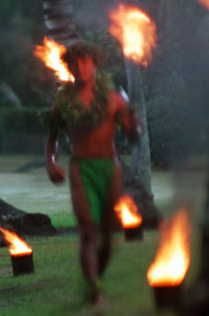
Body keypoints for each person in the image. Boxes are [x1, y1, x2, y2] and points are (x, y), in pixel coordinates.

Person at [45, 40, 141, 304]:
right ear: (69, 66)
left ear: (95, 64)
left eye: (85, 61)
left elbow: (133, 136)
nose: (80, 67)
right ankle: (95, 288)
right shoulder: (63, 100)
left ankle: (94, 279)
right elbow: (53, 135)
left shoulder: (115, 98)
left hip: (110, 167)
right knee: (89, 229)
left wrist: (134, 127)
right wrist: (50, 161)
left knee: (108, 234)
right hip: (81, 168)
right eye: (75, 63)